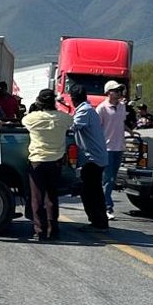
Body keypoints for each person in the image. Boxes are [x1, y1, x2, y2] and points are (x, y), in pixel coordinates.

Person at [22, 88, 75, 240]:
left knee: (37, 197)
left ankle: (40, 230)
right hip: (56, 161)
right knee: (52, 196)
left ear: (39, 102)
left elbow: (23, 121)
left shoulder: (32, 118)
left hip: (37, 161)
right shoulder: (63, 118)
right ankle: (53, 228)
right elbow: (71, 120)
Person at [70, 85, 110, 231]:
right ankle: (98, 221)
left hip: (92, 159)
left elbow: (71, 128)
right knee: (92, 190)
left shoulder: (84, 111)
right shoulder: (86, 109)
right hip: (94, 157)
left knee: (91, 192)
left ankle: (99, 223)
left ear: (73, 99)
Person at [96, 80, 129, 220]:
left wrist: (130, 131)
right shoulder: (102, 108)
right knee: (108, 179)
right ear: (109, 92)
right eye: (115, 90)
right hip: (107, 148)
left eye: (119, 90)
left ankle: (105, 205)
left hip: (119, 147)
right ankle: (106, 207)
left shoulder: (122, 107)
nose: (118, 93)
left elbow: (121, 123)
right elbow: (97, 128)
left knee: (112, 179)